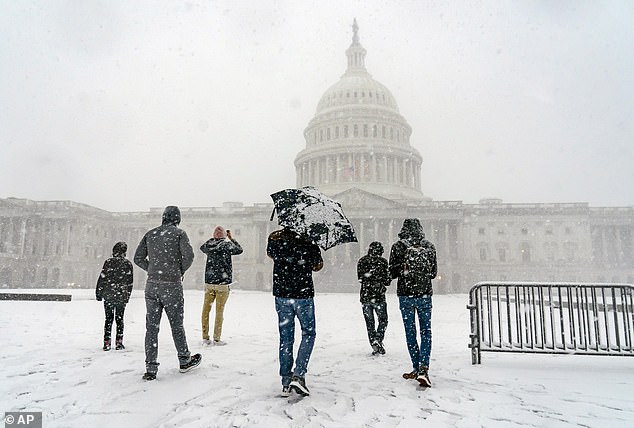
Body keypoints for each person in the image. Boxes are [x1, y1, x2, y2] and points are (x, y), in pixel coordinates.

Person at [134, 205, 201, 381]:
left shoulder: (151, 234)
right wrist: (178, 270)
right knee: (176, 325)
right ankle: (184, 359)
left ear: (163, 217)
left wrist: (152, 269)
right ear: (177, 219)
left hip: (152, 285)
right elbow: (189, 257)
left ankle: (150, 367)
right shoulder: (179, 234)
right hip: (172, 285)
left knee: (152, 328)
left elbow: (137, 258)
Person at [267, 227, 323, 397]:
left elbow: (270, 254)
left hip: (282, 294)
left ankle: (285, 380)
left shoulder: (276, 239)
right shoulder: (309, 240)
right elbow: (318, 266)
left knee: (286, 337)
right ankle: (298, 374)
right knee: (308, 333)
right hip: (303, 294)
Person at [388, 218, 437, 387]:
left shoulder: (398, 246)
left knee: (410, 333)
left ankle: (417, 368)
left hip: (406, 295)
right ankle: (423, 368)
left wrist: (403, 269)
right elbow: (433, 273)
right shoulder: (429, 246)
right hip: (424, 294)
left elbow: (392, 274)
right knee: (426, 332)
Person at [199, 226, 243, 346]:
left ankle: (205, 337)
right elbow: (239, 250)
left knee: (206, 311)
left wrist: (213, 238)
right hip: (222, 284)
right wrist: (231, 239)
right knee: (219, 312)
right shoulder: (226, 245)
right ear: (224, 235)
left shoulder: (209, 245)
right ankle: (217, 339)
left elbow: (202, 247)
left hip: (209, 283)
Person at [96, 241, 134, 351]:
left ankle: (106, 343)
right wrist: (127, 295)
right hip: (121, 295)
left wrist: (99, 293)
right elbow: (130, 282)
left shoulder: (108, 262)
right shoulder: (127, 264)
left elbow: (102, 278)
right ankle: (119, 342)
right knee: (119, 319)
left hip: (109, 294)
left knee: (108, 319)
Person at [356, 241, 390, 355]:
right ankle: (378, 339)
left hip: (365, 296)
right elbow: (387, 281)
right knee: (383, 320)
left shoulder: (362, 261)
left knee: (369, 323)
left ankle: (374, 342)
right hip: (379, 296)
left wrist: (368, 277)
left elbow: (360, 278)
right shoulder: (383, 262)